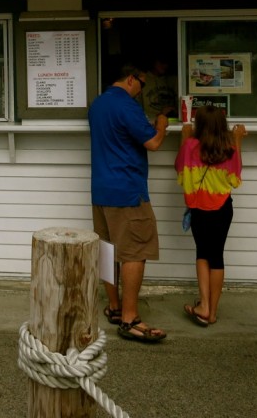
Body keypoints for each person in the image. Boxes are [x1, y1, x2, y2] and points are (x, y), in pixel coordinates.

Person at [88, 64, 170, 343]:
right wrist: (162, 122)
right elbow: (154, 143)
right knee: (135, 251)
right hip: (127, 191)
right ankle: (130, 318)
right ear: (133, 78)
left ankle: (114, 307)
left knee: (107, 250)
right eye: (142, 85)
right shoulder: (127, 105)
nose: (141, 91)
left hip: (101, 189)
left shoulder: (98, 104)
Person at [174, 105, 246, 326]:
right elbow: (235, 178)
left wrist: (184, 138)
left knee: (202, 254)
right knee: (217, 256)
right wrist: (238, 140)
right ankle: (211, 312)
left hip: (199, 210)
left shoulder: (190, 146)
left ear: (200, 124)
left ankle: (203, 305)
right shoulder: (229, 147)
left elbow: (179, 169)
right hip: (223, 209)